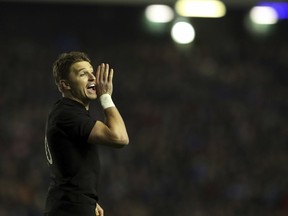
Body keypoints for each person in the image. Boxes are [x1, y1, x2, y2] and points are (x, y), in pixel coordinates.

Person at [44, 51, 129, 216]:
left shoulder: (66, 112)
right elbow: (119, 137)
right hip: (69, 209)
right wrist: (105, 97)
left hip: (72, 205)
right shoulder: (67, 114)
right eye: (83, 74)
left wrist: (86, 201)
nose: (92, 78)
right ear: (65, 85)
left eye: (92, 72)